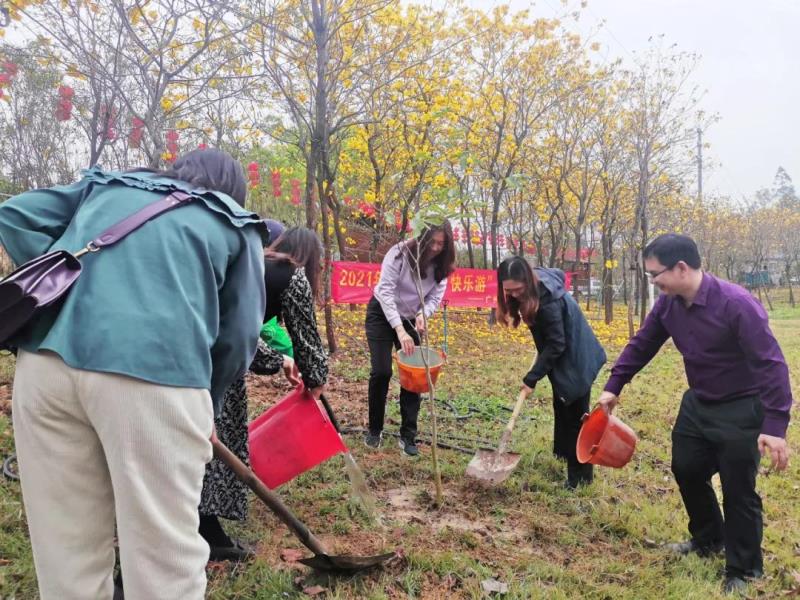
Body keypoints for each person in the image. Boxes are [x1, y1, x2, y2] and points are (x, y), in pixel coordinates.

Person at [0, 149, 266, 600]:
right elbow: (238, 340)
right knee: (165, 560)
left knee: (67, 552)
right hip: (157, 379)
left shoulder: (107, 188)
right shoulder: (233, 221)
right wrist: (207, 402)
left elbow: (14, 214)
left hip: (45, 368)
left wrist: (71, 271)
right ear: (234, 188)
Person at [597, 233, 792, 595]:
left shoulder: (736, 304)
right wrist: (615, 384)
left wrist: (775, 425)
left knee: (738, 490)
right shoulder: (669, 305)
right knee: (686, 469)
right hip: (698, 403)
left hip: (740, 406)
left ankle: (745, 568)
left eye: (656, 274)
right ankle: (708, 539)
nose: (653, 281)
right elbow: (644, 342)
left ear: (681, 268)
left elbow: (771, 364)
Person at [198, 226, 329, 561]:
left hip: (199, 350)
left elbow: (234, 324)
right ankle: (206, 531)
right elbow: (307, 337)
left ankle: (202, 524)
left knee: (204, 442)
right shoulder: (292, 274)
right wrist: (315, 377)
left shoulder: (256, 263)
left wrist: (279, 360)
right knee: (217, 440)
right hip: (216, 361)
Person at [496, 256, 607, 489]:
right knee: (562, 407)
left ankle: (580, 480)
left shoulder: (547, 303)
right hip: (565, 356)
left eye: (517, 289)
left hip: (577, 358)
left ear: (527, 280)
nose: (514, 294)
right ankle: (564, 455)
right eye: (508, 291)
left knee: (576, 418)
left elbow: (557, 344)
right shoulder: (536, 287)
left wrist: (531, 378)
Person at [365, 221, 456, 456]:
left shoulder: (442, 264)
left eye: (441, 244)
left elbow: (435, 296)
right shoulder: (399, 253)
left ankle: (408, 436)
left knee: (414, 374)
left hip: (411, 316)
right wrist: (400, 330)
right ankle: (375, 429)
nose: (436, 248)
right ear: (422, 239)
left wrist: (422, 314)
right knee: (382, 371)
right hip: (382, 313)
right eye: (432, 242)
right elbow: (385, 292)